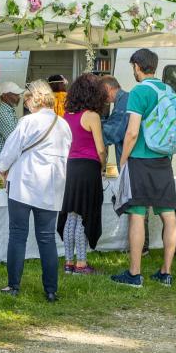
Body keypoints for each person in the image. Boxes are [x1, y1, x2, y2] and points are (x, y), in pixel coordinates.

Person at [0, 80, 72, 302]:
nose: (25, 102)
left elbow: (11, 149)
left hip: (24, 184)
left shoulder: (28, 122)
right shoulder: (63, 125)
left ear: (36, 97)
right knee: (47, 238)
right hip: (51, 185)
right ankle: (51, 289)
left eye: (28, 97)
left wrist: (0, 170)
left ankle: (14, 285)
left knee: (18, 235)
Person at [111, 49, 176, 287]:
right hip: (163, 159)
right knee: (168, 215)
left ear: (138, 66)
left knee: (137, 216)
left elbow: (131, 132)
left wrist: (123, 160)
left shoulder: (139, 91)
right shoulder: (167, 90)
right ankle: (166, 272)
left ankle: (134, 273)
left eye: (134, 67)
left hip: (140, 159)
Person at [57, 74, 107, 275]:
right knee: (84, 216)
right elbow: (101, 149)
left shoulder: (66, 117)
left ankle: (68, 262)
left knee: (71, 215)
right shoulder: (92, 116)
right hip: (88, 169)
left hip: (69, 168)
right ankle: (81, 263)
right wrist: (102, 166)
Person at [0, 82, 23, 167]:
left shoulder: (7, 111)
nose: (19, 97)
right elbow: (14, 139)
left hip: (2, 161)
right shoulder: (3, 113)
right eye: (15, 94)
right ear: (5, 96)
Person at [100, 75, 129, 167]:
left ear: (107, 88)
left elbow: (111, 133)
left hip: (129, 163)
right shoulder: (123, 100)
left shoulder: (123, 103)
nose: (100, 96)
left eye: (100, 92)